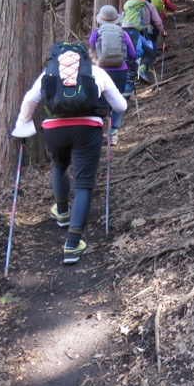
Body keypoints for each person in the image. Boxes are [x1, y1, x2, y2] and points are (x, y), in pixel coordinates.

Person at [11, 43, 127, 264]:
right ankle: (73, 245)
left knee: (60, 165)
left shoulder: (49, 72)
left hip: (55, 130)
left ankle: (62, 213)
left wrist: (22, 125)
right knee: (83, 185)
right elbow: (120, 106)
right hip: (87, 129)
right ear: (85, 57)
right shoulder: (96, 72)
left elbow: (30, 99)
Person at [88, 5, 138, 145]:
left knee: (98, 100)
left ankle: (96, 131)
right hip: (120, 71)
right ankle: (114, 133)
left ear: (101, 20)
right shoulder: (123, 33)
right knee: (117, 100)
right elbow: (133, 54)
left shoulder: (96, 33)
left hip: (100, 71)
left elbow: (90, 51)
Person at [122, 0, 164, 83]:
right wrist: (162, 30)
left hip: (126, 31)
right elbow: (157, 21)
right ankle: (141, 70)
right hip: (142, 31)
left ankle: (131, 75)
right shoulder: (148, 5)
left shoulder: (129, 4)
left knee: (131, 52)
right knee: (148, 50)